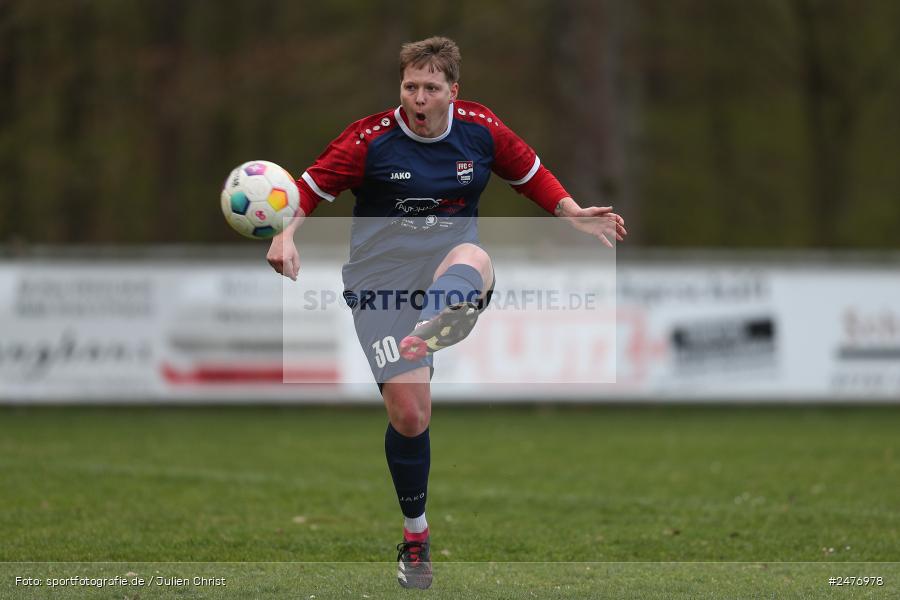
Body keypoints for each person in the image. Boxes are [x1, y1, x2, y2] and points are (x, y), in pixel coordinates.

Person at [267, 36, 626, 589]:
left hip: (446, 269)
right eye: (410, 86)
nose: (418, 97)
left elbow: (528, 173)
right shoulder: (370, 139)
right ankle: (416, 536)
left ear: (452, 91)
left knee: (473, 256)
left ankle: (439, 320)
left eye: (430, 88)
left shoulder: (480, 129)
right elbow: (308, 188)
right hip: (378, 283)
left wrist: (574, 213)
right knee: (410, 418)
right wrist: (285, 236)